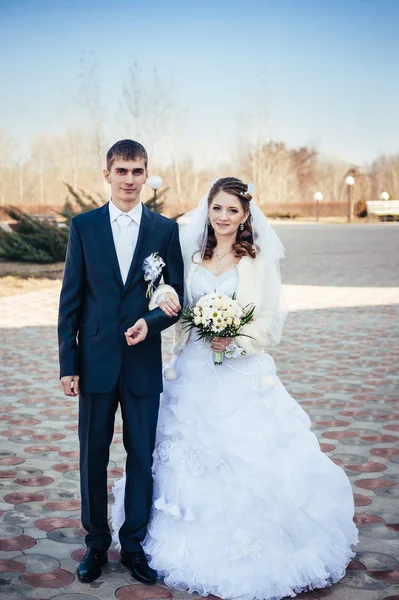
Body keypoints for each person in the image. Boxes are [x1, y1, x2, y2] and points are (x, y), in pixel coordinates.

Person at [111, 177, 358, 599]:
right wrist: (167, 294)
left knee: (243, 455)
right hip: (191, 371)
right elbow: (170, 292)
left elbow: (268, 322)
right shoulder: (191, 254)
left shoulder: (256, 261)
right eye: (217, 208)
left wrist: (236, 340)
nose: (223, 217)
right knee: (180, 454)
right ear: (208, 210)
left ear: (245, 217)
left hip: (239, 375)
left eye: (232, 211)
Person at [58, 139, 184, 584]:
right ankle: (95, 545)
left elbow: (175, 299)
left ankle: (133, 546)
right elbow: (70, 301)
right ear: (107, 174)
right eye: (121, 171)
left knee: (141, 457)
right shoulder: (84, 226)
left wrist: (150, 323)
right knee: (92, 455)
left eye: (137, 171)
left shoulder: (164, 231)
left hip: (142, 362)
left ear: (146, 175)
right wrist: (67, 363)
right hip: (94, 362)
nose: (129, 179)